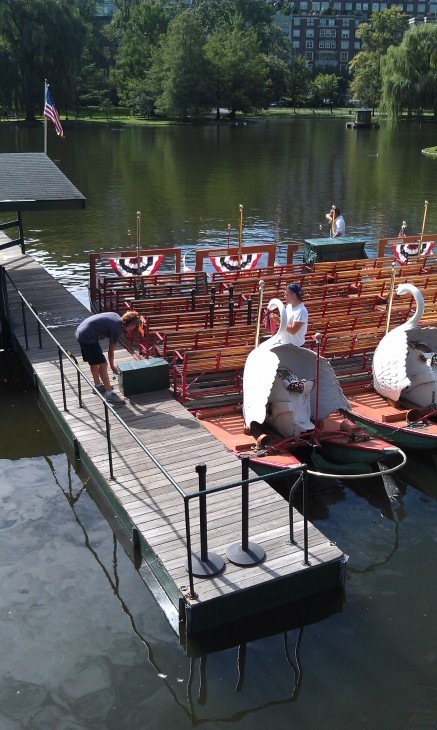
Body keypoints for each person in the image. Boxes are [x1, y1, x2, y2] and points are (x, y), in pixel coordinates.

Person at [75, 310, 139, 405]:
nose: (133, 329)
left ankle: (97, 386)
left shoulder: (116, 316)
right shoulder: (116, 329)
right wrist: (112, 367)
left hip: (81, 331)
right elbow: (111, 350)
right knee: (103, 363)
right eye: (133, 326)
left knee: (94, 361)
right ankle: (109, 393)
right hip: (87, 336)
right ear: (128, 323)